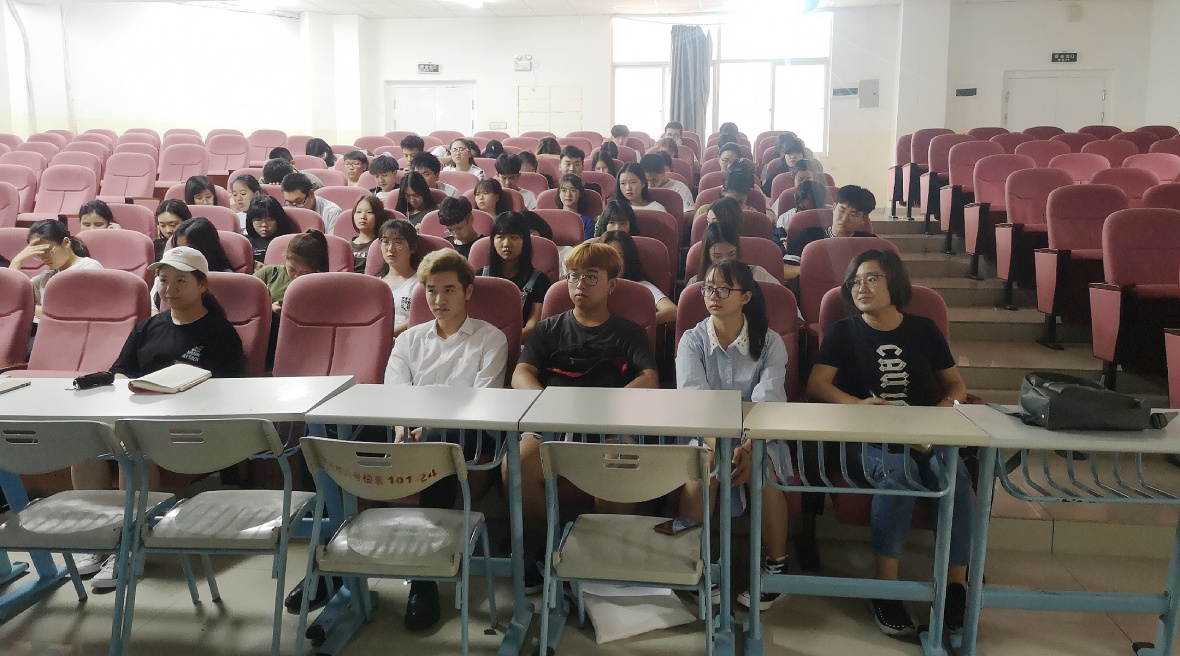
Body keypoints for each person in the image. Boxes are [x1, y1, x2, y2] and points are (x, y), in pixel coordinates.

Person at [806, 248, 972, 637]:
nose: (861, 288)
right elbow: (817, 385)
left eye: (872, 279)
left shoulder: (924, 329)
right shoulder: (843, 331)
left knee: (954, 476)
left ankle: (956, 586)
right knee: (899, 473)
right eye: (854, 282)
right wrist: (858, 405)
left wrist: (940, 415)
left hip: (924, 432)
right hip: (867, 434)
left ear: (894, 282)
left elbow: (956, 386)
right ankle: (885, 588)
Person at [76, 246, 244, 589]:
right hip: (137, 416)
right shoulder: (147, 327)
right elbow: (121, 371)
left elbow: (226, 390)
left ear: (202, 285)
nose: (169, 288)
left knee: (135, 451)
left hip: (187, 425)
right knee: (86, 448)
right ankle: (99, 539)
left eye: (180, 281)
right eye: (164, 280)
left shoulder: (219, 332)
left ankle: (128, 546)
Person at [508, 242, 659, 590]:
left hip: (609, 425)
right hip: (553, 423)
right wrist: (546, 404)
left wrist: (605, 407)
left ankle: (605, 556)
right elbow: (521, 373)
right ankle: (542, 547)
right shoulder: (549, 329)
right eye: (574, 276)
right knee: (517, 463)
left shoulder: (629, 332)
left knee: (618, 464)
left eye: (591, 277)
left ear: (611, 285)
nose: (580, 284)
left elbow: (649, 378)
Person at [384, 248, 509, 631]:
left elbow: (482, 400)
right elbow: (394, 392)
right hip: (410, 433)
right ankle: (330, 568)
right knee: (327, 428)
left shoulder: (490, 338)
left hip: (469, 436)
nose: (439, 299)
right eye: (432, 290)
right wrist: (404, 429)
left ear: (467, 292)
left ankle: (423, 583)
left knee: (439, 440)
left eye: (449, 290)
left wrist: (427, 430)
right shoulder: (409, 340)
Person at [677, 259, 790, 611]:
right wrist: (722, 446)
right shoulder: (692, 340)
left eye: (724, 289)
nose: (713, 295)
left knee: (763, 469)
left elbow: (769, 401)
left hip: (759, 435)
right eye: (708, 287)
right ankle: (696, 564)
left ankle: (776, 568)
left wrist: (749, 446)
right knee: (704, 468)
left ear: (746, 297)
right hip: (705, 433)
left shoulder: (770, 343)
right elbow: (694, 401)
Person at [8, 219, 102, 318]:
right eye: (39, 254)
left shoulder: (90, 268)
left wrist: (27, 309)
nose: (44, 258)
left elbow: (70, 311)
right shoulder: (47, 276)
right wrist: (17, 261)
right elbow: (10, 300)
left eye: (47, 251)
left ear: (66, 243)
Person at [479, 212, 550, 341]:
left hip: (519, 344)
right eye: (500, 237)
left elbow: (532, 325)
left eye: (514, 237)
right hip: (480, 342)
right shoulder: (480, 277)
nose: (506, 244)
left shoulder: (540, 281)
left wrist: (502, 343)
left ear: (525, 241)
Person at [153, 217, 235, 314]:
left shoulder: (226, 279)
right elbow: (153, 307)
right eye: (179, 248)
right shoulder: (166, 274)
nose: (183, 253)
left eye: (189, 249)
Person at [783, 185, 877, 268]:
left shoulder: (869, 243)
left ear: (863, 219)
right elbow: (786, 270)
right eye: (842, 210)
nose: (844, 218)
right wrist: (811, 271)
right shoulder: (808, 235)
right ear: (834, 208)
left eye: (853, 215)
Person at [600, 230, 676, 325]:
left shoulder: (642, 286)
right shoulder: (592, 283)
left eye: (620, 256)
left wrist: (639, 325)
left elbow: (672, 310)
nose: (613, 262)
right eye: (608, 256)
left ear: (628, 259)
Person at [687, 221, 780, 285]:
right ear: (708, 256)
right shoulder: (696, 283)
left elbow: (782, 300)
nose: (725, 261)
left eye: (731, 254)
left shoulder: (758, 275)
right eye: (717, 256)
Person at [375, 219, 419, 338]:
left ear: (412, 247)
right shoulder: (374, 284)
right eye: (385, 242)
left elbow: (420, 317)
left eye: (398, 242)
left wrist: (387, 336)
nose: (390, 248)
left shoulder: (420, 284)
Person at [774, 179, 829, 255]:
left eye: (814, 210)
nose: (808, 215)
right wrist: (785, 247)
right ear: (795, 199)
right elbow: (779, 248)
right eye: (803, 209)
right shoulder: (784, 219)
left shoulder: (832, 215)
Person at [245, 195, 298, 266]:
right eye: (258, 220)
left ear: (278, 220)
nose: (264, 224)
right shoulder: (245, 242)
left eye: (269, 219)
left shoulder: (289, 242)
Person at [349, 194, 388, 273]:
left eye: (369, 212)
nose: (363, 216)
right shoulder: (346, 245)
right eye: (359, 212)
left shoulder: (381, 245)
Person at [556, 173, 596, 240]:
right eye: (563, 190)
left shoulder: (587, 222)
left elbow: (586, 245)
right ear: (559, 193)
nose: (568, 194)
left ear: (580, 193)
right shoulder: (552, 219)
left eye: (573, 190)